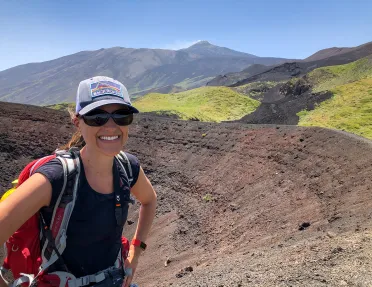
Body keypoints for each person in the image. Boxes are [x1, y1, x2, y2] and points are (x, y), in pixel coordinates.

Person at [0, 76, 157, 287]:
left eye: (121, 116)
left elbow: (149, 200)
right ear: (77, 122)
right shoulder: (56, 178)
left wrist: (136, 251)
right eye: (96, 117)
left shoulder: (128, 167)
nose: (111, 126)